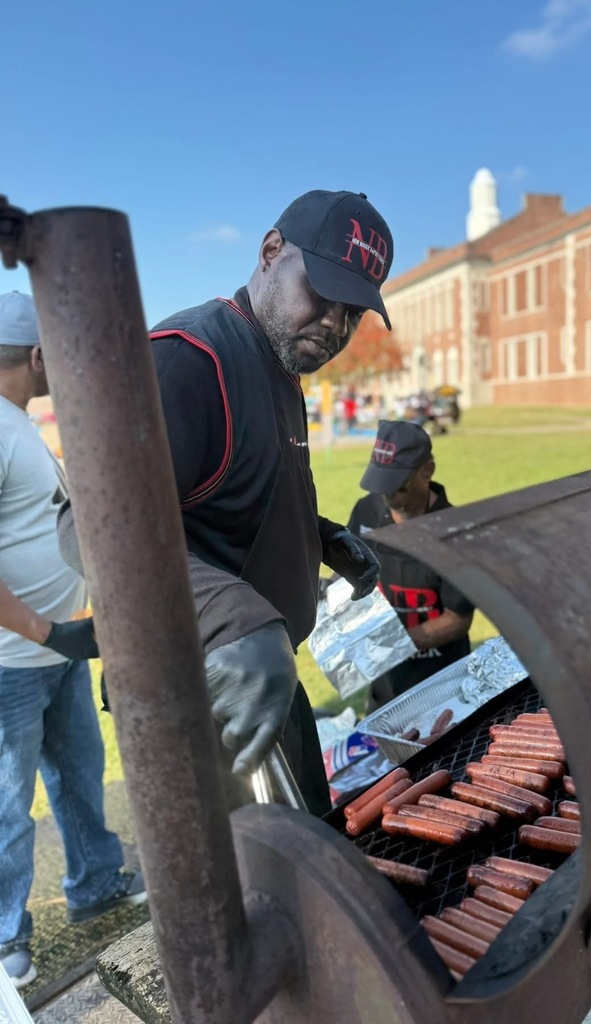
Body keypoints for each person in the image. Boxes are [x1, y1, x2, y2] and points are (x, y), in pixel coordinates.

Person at [58, 190, 390, 815]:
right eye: (322, 293)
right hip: (204, 692)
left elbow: (226, 496)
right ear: (271, 252)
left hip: (265, 672)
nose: (336, 325)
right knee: (254, 900)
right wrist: (235, 620)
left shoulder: (280, 363)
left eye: (354, 313)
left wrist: (316, 536)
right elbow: (86, 527)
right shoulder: (188, 358)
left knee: (315, 861)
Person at [0, 292, 146, 990]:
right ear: (34, 357)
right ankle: (5, 937)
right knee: (7, 803)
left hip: (57, 653)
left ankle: (97, 882)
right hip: (13, 662)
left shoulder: (19, 423)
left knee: (79, 776)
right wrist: (43, 629)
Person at [347, 420, 474, 711]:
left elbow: (458, 619)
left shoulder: (453, 530)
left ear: (427, 471)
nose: (387, 496)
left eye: (398, 487)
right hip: (385, 685)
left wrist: (393, 648)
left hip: (442, 685)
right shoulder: (365, 512)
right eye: (380, 485)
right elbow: (349, 580)